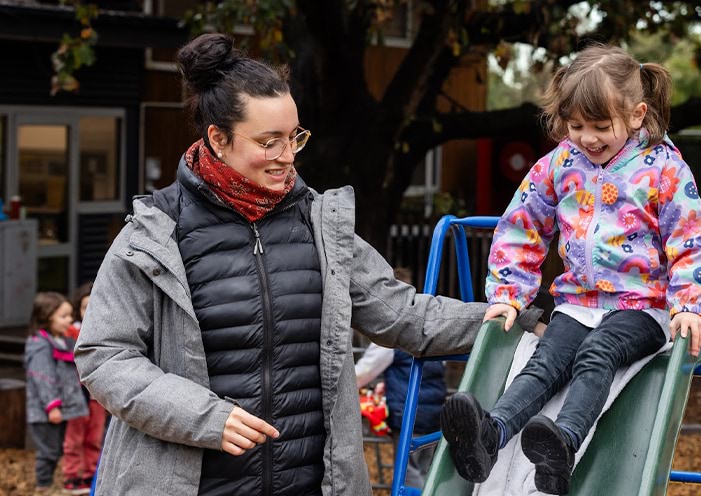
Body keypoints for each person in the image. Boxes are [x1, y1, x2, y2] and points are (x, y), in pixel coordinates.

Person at [73, 33, 544, 496]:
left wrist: (522, 319)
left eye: (293, 137)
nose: (287, 157)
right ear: (217, 138)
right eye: (268, 141)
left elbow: (404, 313)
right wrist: (205, 418)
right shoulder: (154, 233)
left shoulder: (319, 224)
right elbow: (104, 356)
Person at [440, 44, 701, 495]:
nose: (587, 137)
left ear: (635, 115)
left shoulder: (663, 169)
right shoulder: (561, 163)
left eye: (600, 126)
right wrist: (509, 294)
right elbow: (523, 224)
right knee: (544, 362)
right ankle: (490, 434)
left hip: (642, 308)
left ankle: (564, 443)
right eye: (575, 126)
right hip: (578, 302)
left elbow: (689, 237)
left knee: (598, 354)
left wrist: (691, 304)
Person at [354, 268, 446, 489]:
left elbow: (365, 371)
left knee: (408, 472)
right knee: (427, 468)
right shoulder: (430, 325)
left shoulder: (392, 333)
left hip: (408, 411)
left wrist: (346, 385)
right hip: (434, 411)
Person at [24, 292, 89, 494]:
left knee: (57, 449)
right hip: (46, 412)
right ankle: (43, 486)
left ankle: (48, 483)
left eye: (70, 315)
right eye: (63, 316)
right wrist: (53, 406)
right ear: (46, 316)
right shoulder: (40, 345)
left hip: (61, 410)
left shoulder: (62, 341)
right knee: (49, 451)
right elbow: (43, 378)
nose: (70, 320)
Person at [62, 282, 106, 494]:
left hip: (95, 396)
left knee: (94, 436)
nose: (88, 311)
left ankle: (89, 473)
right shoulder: (70, 334)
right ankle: (71, 475)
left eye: (92, 305)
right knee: (74, 437)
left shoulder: (108, 329)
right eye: (83, 307)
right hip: (74, 395)